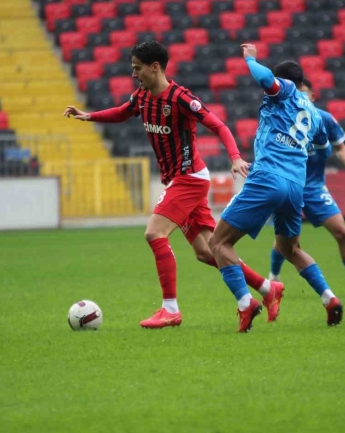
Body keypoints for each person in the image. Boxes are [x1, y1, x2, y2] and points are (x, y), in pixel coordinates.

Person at [64, 40, 281, 329]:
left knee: (154, 234)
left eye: (137, 68)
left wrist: (235, 157)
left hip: (189, 179)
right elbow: (122, 111)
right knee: (208, 251)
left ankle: (170, 309)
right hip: (180, 179)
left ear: (155, 67)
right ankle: (266, 289)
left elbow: (218, 125)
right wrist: (88, 116)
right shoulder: (142, 95)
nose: (133, 74)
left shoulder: (180, 98)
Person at [208, 44, 342, 333]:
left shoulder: (285, 91)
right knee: (290, 248)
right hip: (296, 186)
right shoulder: (315, 114)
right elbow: (324, 149)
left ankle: (247, 303)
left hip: (268, 176)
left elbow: (264, 78)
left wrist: (250, 58)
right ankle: (329, 298)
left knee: (218, 243)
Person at [268, 79, 345, 298]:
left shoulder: (323, 118)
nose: (299, 99)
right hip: (289, 186)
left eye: (304, 94)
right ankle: (273, 277)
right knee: (288, 240)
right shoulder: (284, 118)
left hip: (314, 188)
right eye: (295, 95)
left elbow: (340, 146)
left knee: (341, 232)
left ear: (312, 96)